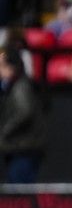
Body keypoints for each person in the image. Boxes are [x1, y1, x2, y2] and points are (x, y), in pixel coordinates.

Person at [0, 47, 44, 183]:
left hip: (24, 148)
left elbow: (24, 112)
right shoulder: (12, 86)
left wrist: (5, 131)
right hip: (19, 148)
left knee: (20, 194)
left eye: (1, 65)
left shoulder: (20, 87)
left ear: (11, 67)